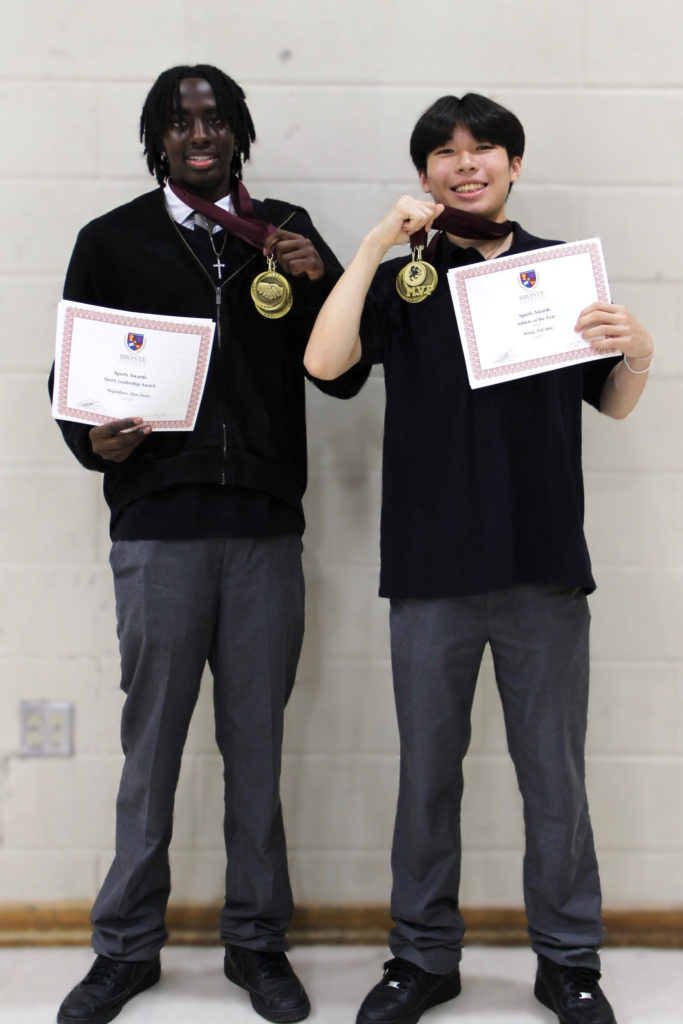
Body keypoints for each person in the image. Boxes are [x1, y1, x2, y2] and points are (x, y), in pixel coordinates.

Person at [304, 93, 654, 1024]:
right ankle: (422, 958)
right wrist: (375, 244)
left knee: (555, 778)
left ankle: (567, 960)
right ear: (424, 174)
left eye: (484, 148)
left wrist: (638, 353)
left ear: (513, 165)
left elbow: (610, 401)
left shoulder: (559, 271)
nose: (466, 164)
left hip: (543, 564)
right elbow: (325, 364)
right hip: (431, 572)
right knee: (428, 776)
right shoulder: (405, 276)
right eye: (446, 153)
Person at [50, 64, 368, 1024]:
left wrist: (319, 284)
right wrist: (93, 442)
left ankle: (257, 943)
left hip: (264, 528)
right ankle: (125, 950)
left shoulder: (285, 231)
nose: (201, 134)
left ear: (239, 132)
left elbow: (342, 378)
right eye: (182, 121)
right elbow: (73, 382)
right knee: (149, 750)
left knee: (256, 750)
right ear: (157, 136)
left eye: (217, 118)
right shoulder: (110, 241)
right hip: (160, 529)